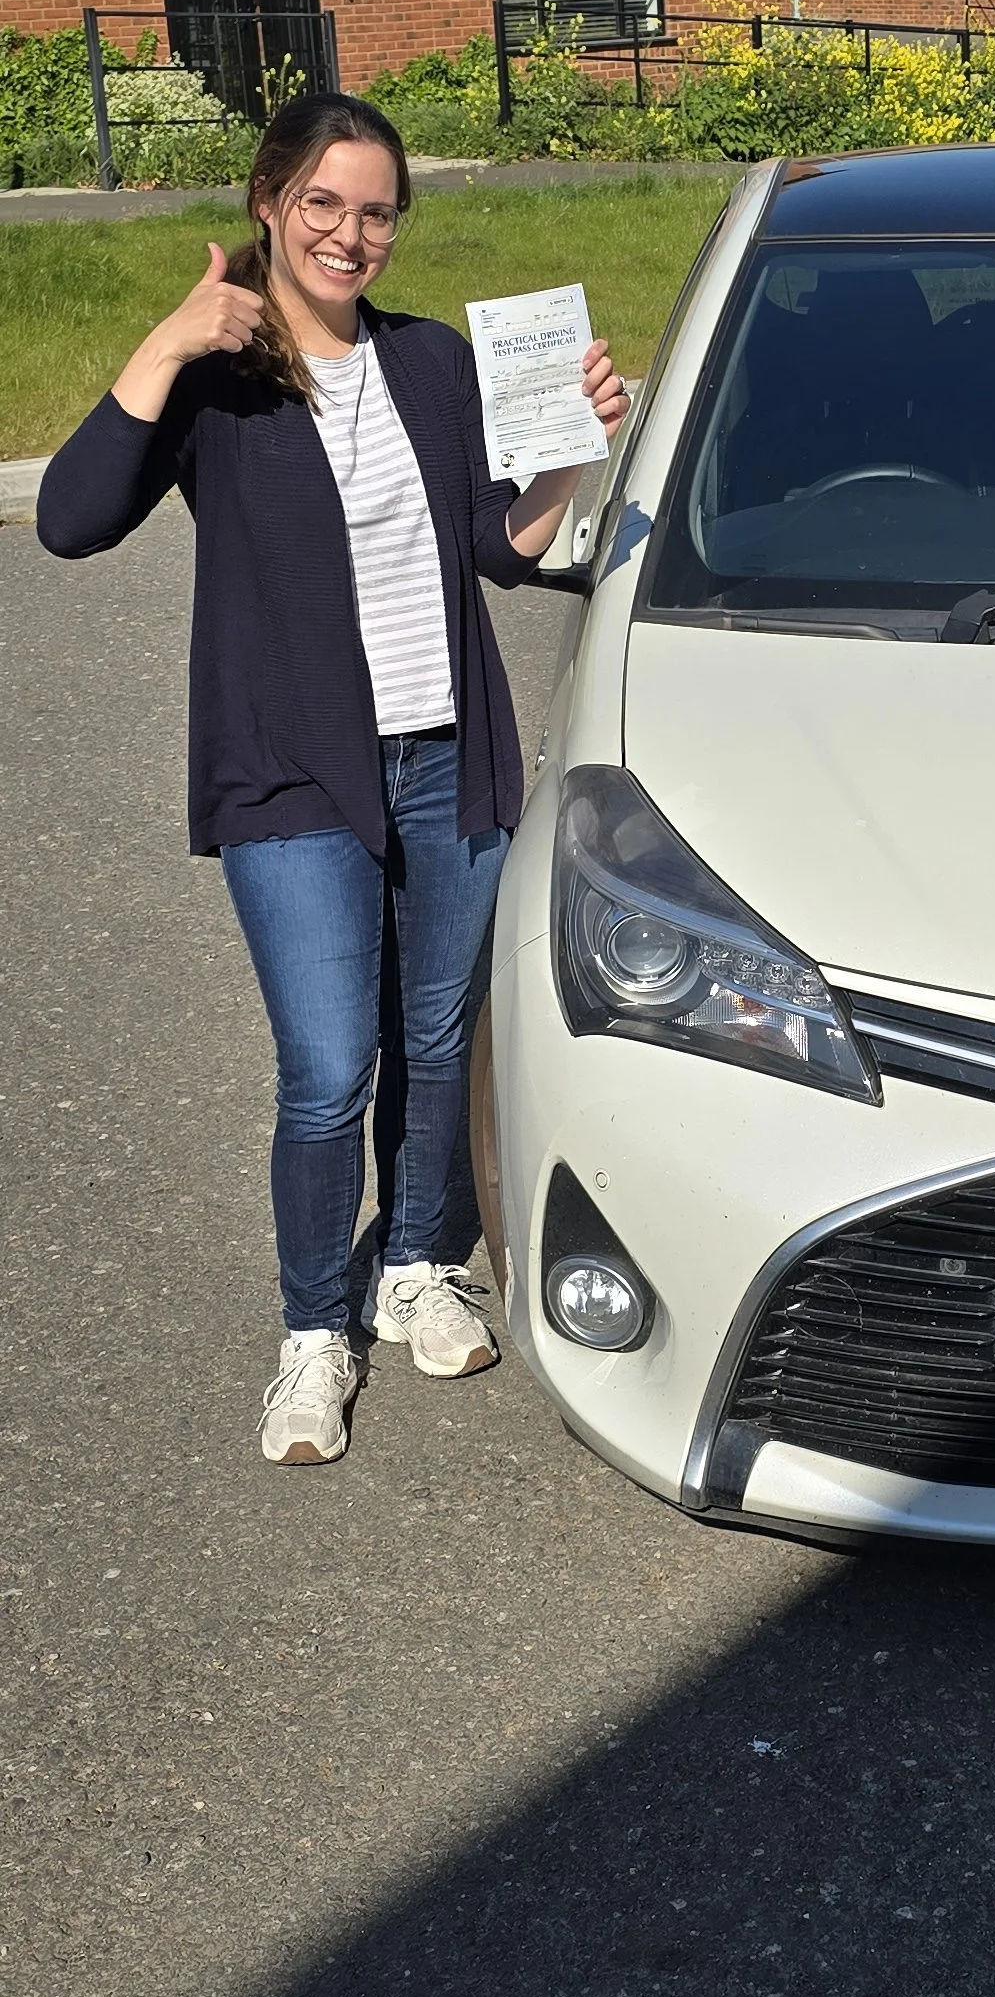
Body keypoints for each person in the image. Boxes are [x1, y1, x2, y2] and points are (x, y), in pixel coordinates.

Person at [37, 92, 627, 1465]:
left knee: (434, 1042)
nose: (348, 235)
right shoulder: (220, 384)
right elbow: (67, 521)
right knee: (324, 1070)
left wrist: (566, 448)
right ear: (266, 203)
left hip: (445, 756)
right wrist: (174, 336)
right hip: (290, 772)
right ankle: (314, 1331)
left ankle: (417, 1260)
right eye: (322, 205)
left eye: (374, 211)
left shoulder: (430, 364)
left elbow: (504, 546)